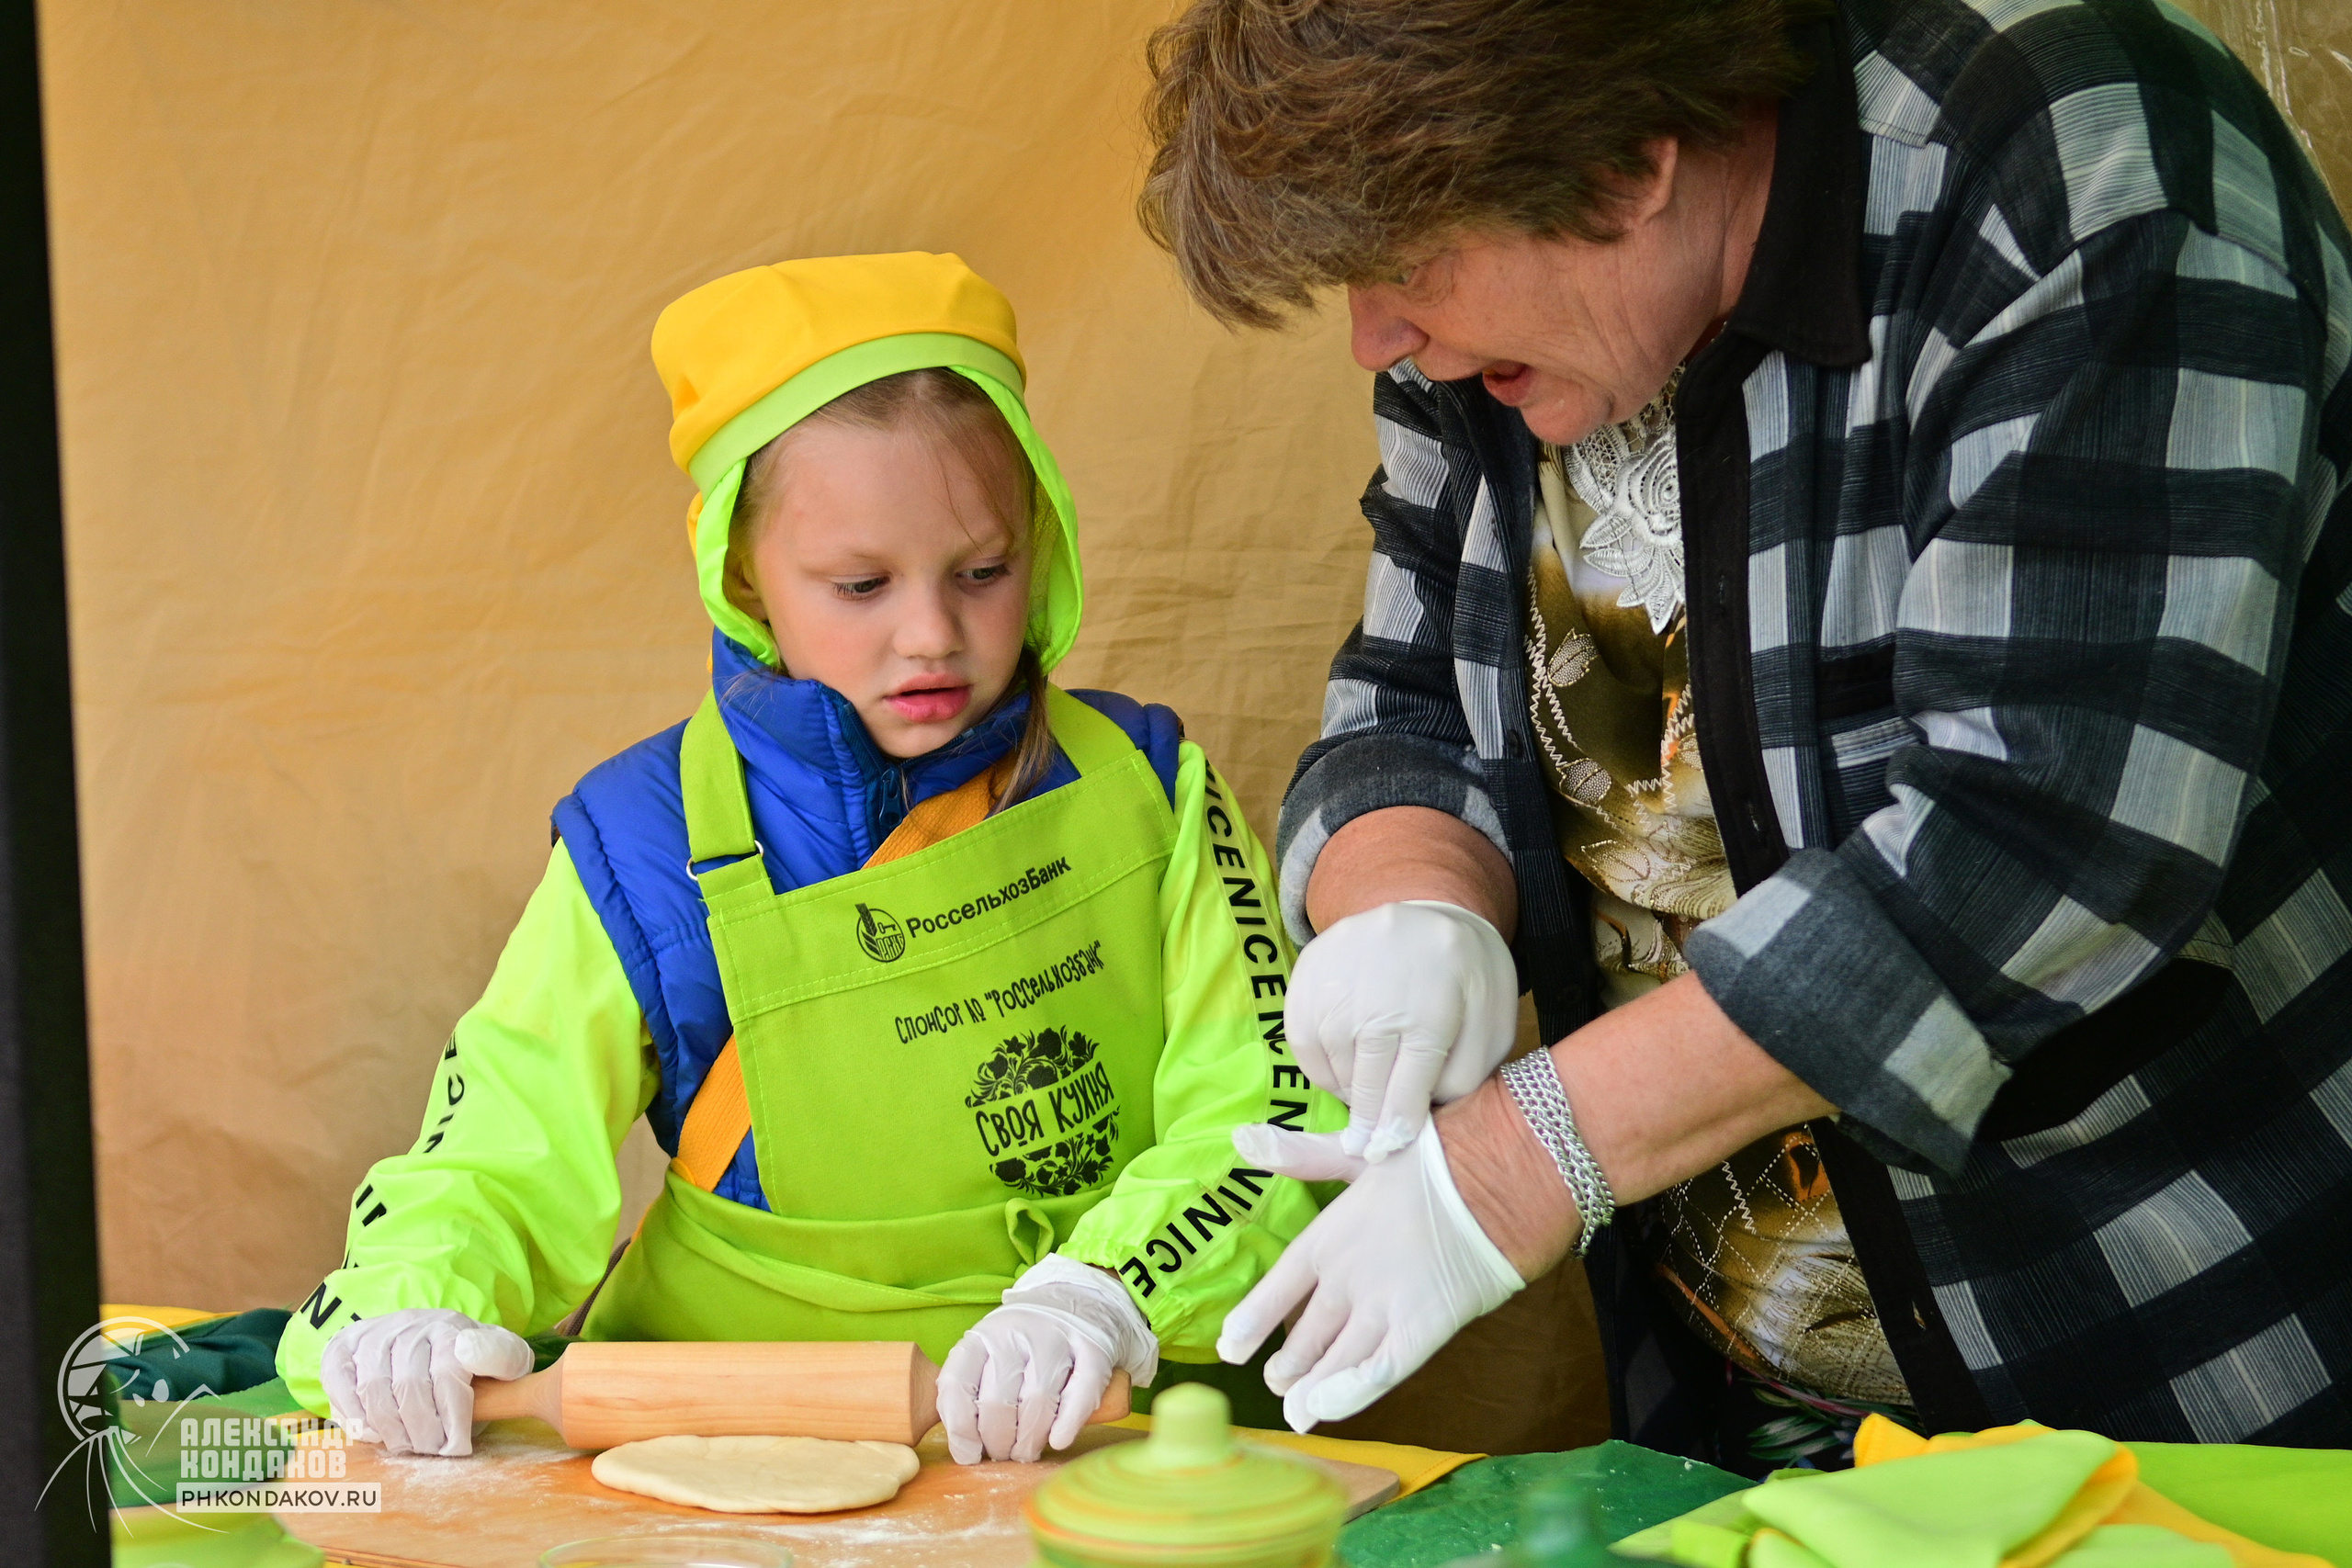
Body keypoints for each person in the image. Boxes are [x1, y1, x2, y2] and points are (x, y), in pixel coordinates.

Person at [1138, 0, 2352, 1466]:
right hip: (1743, 1418)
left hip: (2193, 1372)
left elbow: (2048, 831)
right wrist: (1407, 895)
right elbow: (1404, 687)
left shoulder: (2069, 159)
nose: (1378, 340)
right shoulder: (1496, 307)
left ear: (1635, 162)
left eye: (1403, 268)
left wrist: (1519, 1163)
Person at [273, 253, 1338, 1463]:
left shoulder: (1150, 789)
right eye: (860, 584)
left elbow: (1270, 1111)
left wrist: (1105, 1295)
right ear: (743, 577)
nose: (930, 634)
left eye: (982, 572)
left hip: (1106, 1427)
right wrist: (407, 1308)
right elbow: (496, 1150)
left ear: (1041, 541)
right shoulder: (642, 844)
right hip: (715, 1427)